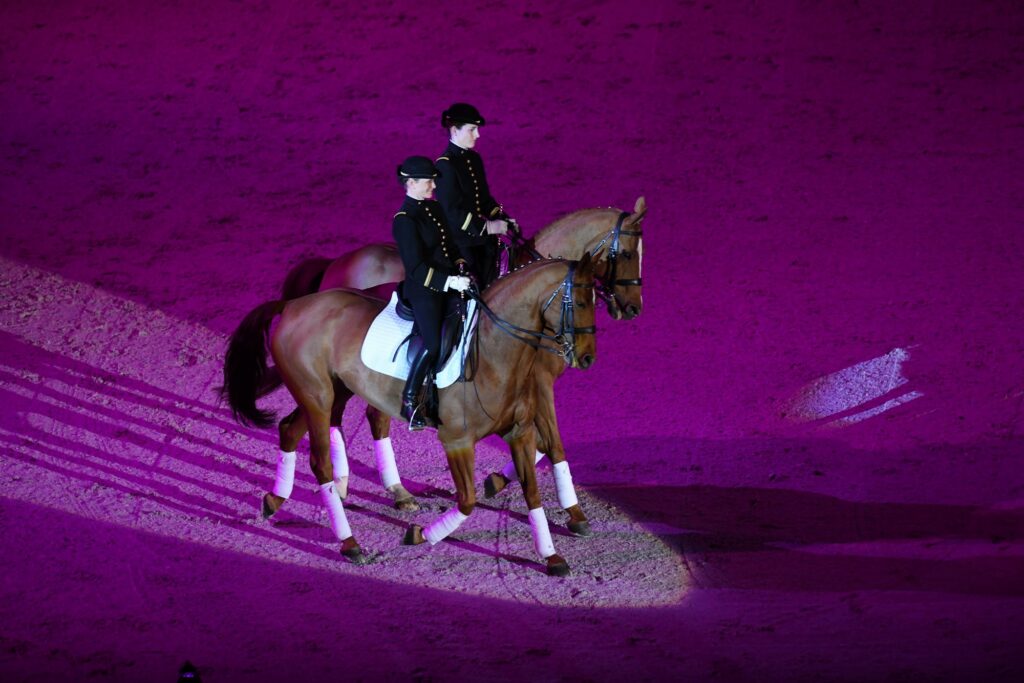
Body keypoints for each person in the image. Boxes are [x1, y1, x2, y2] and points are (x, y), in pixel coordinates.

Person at [392, 156, 472, 430]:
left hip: (453, 281)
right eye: (428, 181)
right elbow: (416, 268)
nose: (433, 185)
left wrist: (461, 266)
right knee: (433, 343)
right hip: (425, 290)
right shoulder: (404, 220)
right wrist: (449, 282)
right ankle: (411, 400)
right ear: (411, 183)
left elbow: (451, 245)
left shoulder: (433, 209)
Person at [434, 102, 510, 289]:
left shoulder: (474, 159)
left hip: (479, 238)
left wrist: (502, 218)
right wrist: (487, 227)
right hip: (459, 243)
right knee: (473, 292)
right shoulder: (445, 165)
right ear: (454, 131)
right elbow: (452, 211)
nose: (477, 135)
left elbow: (483, 199)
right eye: (472, 129)